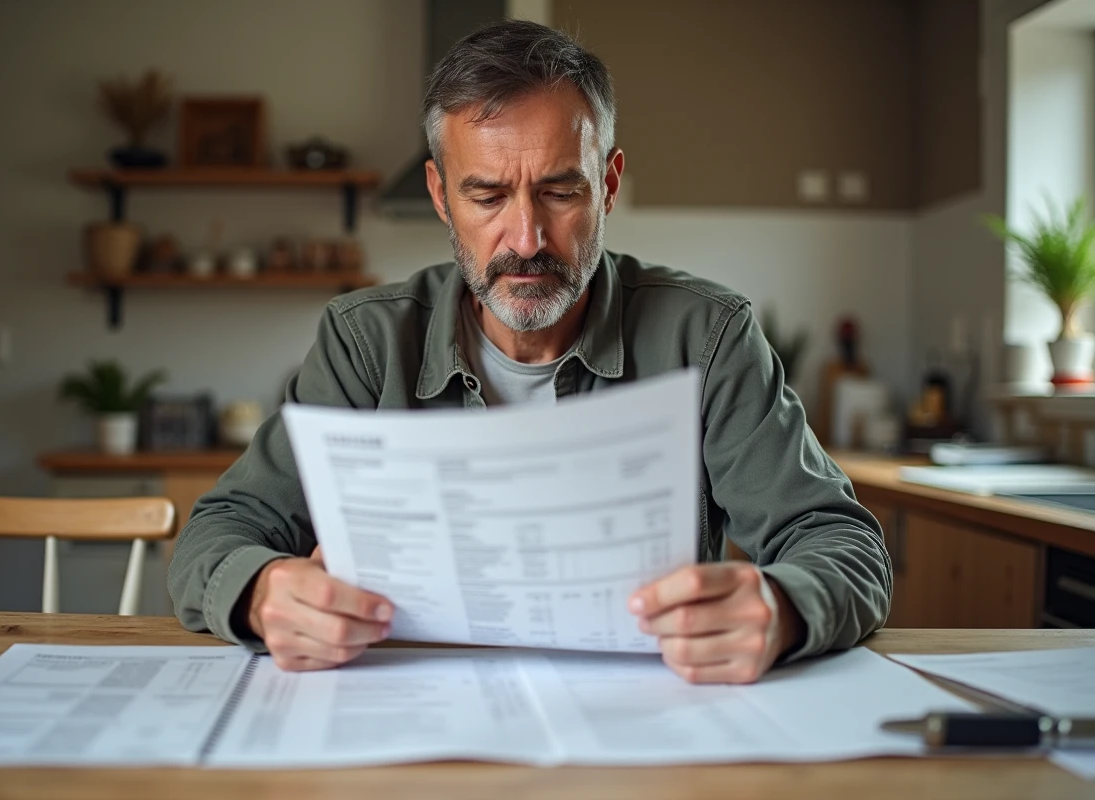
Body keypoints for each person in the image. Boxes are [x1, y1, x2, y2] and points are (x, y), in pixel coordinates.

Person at [168, 20, 890, 684]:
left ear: (607, 184)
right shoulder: (364, 342)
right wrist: (263, 592)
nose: (526, 239)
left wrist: (782, 608)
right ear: (441, 196)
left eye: (559, 191)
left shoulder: (707, 335)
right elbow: (218, 533)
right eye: (485, 196)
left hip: (643, 727)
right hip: (406, 714)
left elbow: (841, 545)